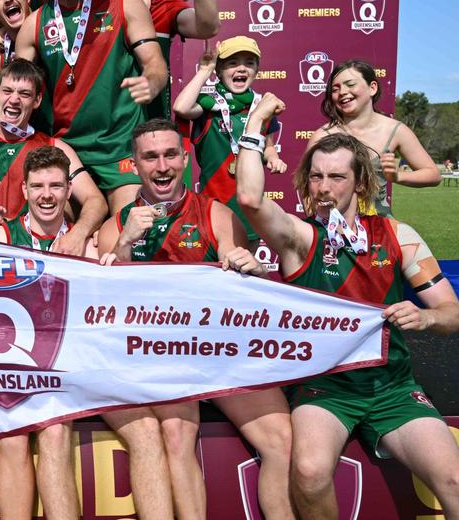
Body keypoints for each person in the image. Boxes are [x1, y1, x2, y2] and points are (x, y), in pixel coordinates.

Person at [238, 96, 459, 519]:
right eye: (317, 176)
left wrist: (426, 316)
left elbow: (451, 313)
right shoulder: (299, 236)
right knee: (309, 470)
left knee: (454, 479)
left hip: (392, 388)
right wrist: (256, 122)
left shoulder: (398, 234)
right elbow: (249, 198)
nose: (324, 187)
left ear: (359, 184)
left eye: (337, 177)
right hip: (326, 389)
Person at [97, 119, 294, 520]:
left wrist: (249, 267)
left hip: (219, 350)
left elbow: (246, 286)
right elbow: (106, 308)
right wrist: (124, 244)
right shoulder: (115, 227)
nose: (162, 165)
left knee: (283, 441)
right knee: (175, 432)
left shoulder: (215, 213)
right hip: (158, 358)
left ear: (185, 159)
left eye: (171, 154)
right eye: (150, 157)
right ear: (135, 165)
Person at [15, 0, 166, 212]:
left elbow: (155, 63)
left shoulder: (122, 0)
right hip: (68, 153)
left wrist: (152, 81)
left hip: (120, 150)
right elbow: (15, 88)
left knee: (126, 229)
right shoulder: (33, 26)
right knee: (56, 233)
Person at [0, 146, 89, 520]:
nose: (47, 195)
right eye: (38, 186)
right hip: (10, 363)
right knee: (12, 436)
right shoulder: (3, 236)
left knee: (55, 432)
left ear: (69, 190)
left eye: (56, 186)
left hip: (64, 365)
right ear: (23, 190)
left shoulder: (85, 243)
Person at [0, 58, 106, 257]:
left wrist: (78, 234)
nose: (14, 100)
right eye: (7, 91)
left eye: (24, 94)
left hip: (38, 255)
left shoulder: (56, 148)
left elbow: (95, 200)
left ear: (37, 100)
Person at [172, 36, 286, 244]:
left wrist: (273, 158)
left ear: (257, 70)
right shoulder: (208, 105)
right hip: (214, 203)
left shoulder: (263, 107)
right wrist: (204, 71)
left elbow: (268, 147)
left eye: (249, 63)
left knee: (245, 266)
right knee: (215, 265)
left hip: (249, 203)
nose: (241, 69)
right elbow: (181, 107)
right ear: (219, 70)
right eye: (232, 63)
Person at [104, 0, 220, 119]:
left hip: (154, 134)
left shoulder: (161, 6)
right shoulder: (88, 8)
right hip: (102, 136)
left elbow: (208, 26)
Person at [307, 59, 439, 216]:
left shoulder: (396, 130)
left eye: (350, 84)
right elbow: (307, 190)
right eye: (335, 89)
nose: (342, 92)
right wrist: (321, 229)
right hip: (334, 230)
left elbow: (433, 174)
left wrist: (397, 176)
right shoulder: (322, 135)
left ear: (372, 88)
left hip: (381, 228)